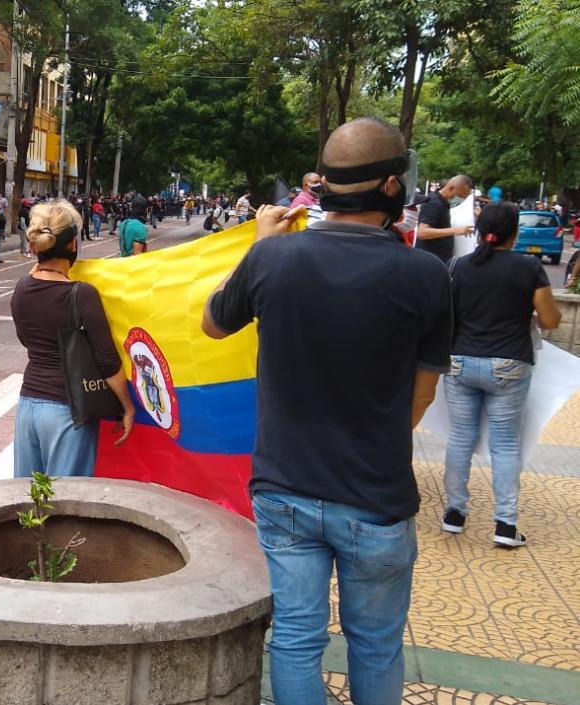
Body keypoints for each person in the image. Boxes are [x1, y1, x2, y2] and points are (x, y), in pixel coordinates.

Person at [202, 118, 451, 705]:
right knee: (376, 645)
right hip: (376, 496)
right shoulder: (427, 275)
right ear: (393, 186)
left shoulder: (273, 259)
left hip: (283, 491)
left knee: (293, 639)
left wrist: (260, 242)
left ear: (327, 184)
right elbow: (423, 394)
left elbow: (214, 322)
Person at [442, 202, 561, 548]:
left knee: (460, 438)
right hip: (509, 364)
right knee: (505, 444)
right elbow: (551, 320)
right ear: (515, 233)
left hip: (460, 361)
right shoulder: (529, 267)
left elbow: (446, 314)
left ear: (480, 231)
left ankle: (454, 514)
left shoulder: (458, 266)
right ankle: (505, 526)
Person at [11, 199, 134, 477]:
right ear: (72, 245)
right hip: (68, 411)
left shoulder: (22, 287)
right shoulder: (81, 294)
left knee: (28, 503)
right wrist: (127, 407)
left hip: (28, 405)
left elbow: (25, 338)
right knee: (65, 507)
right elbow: (107, 360)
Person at [416, 175, 475, 262]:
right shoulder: (434, 203)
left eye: (465, 197)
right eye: (460, 195)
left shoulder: (443, 203)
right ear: (451, 188)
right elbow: (422, 233)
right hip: (429, 261)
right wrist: (454, 230)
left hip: (438, 260)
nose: (461, 199)